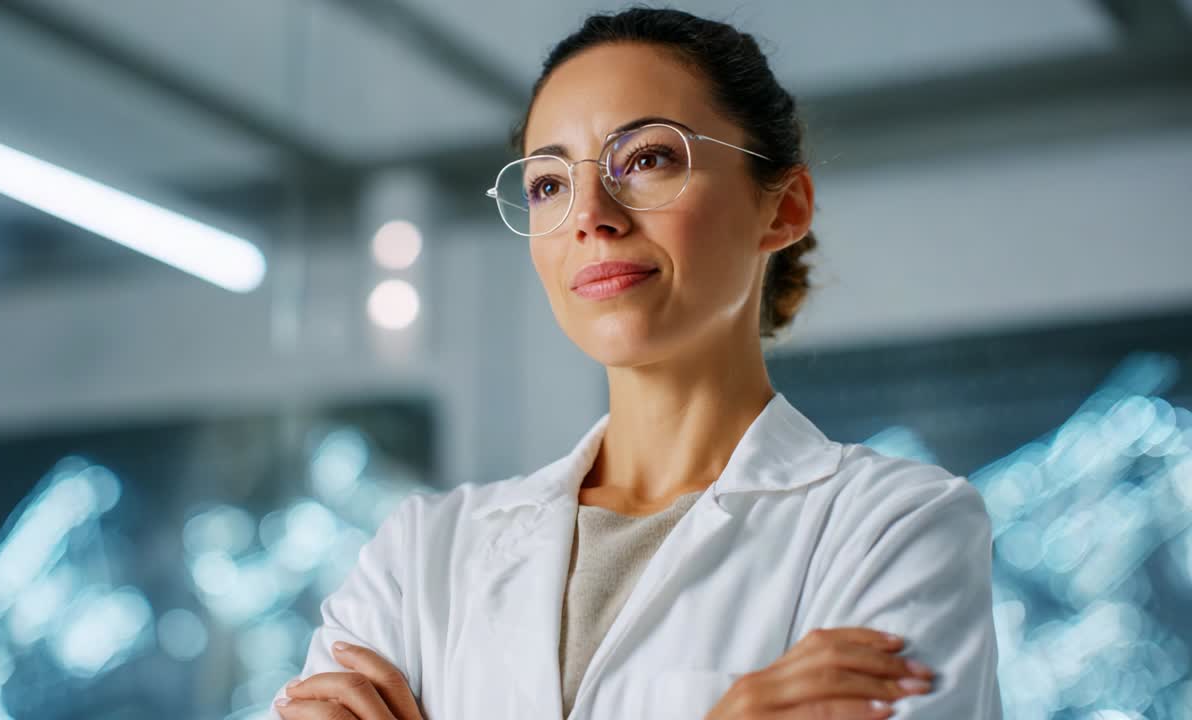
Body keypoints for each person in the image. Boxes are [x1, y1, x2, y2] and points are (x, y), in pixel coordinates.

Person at [272, 7, 1000, 720]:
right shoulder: (421, 555)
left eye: (649, 159)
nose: (591, 213)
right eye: (548, 184)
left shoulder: (893, 528)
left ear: (782, 208)